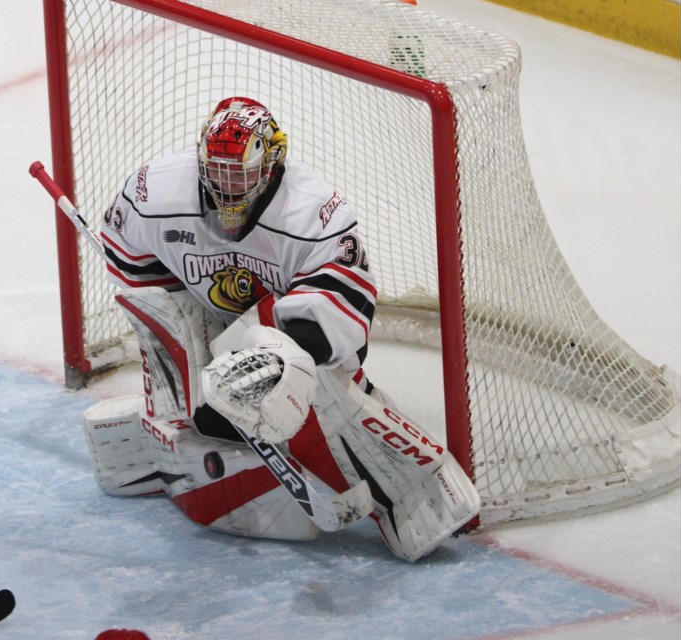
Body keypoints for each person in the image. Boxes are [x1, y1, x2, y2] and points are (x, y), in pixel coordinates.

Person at [81, 97, 480, 561]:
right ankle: (170, 447)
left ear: (272, 164)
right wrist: (176, 321)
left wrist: (274, 366)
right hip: (208, 312)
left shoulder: (312, 213)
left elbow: (345, 304)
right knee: (190, 402)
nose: (228, 189)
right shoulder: (155, 193)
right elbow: (128, 254)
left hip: (284, 327)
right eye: (218, 173)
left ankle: (408, 491)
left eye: (242, 175)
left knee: (312, 391)